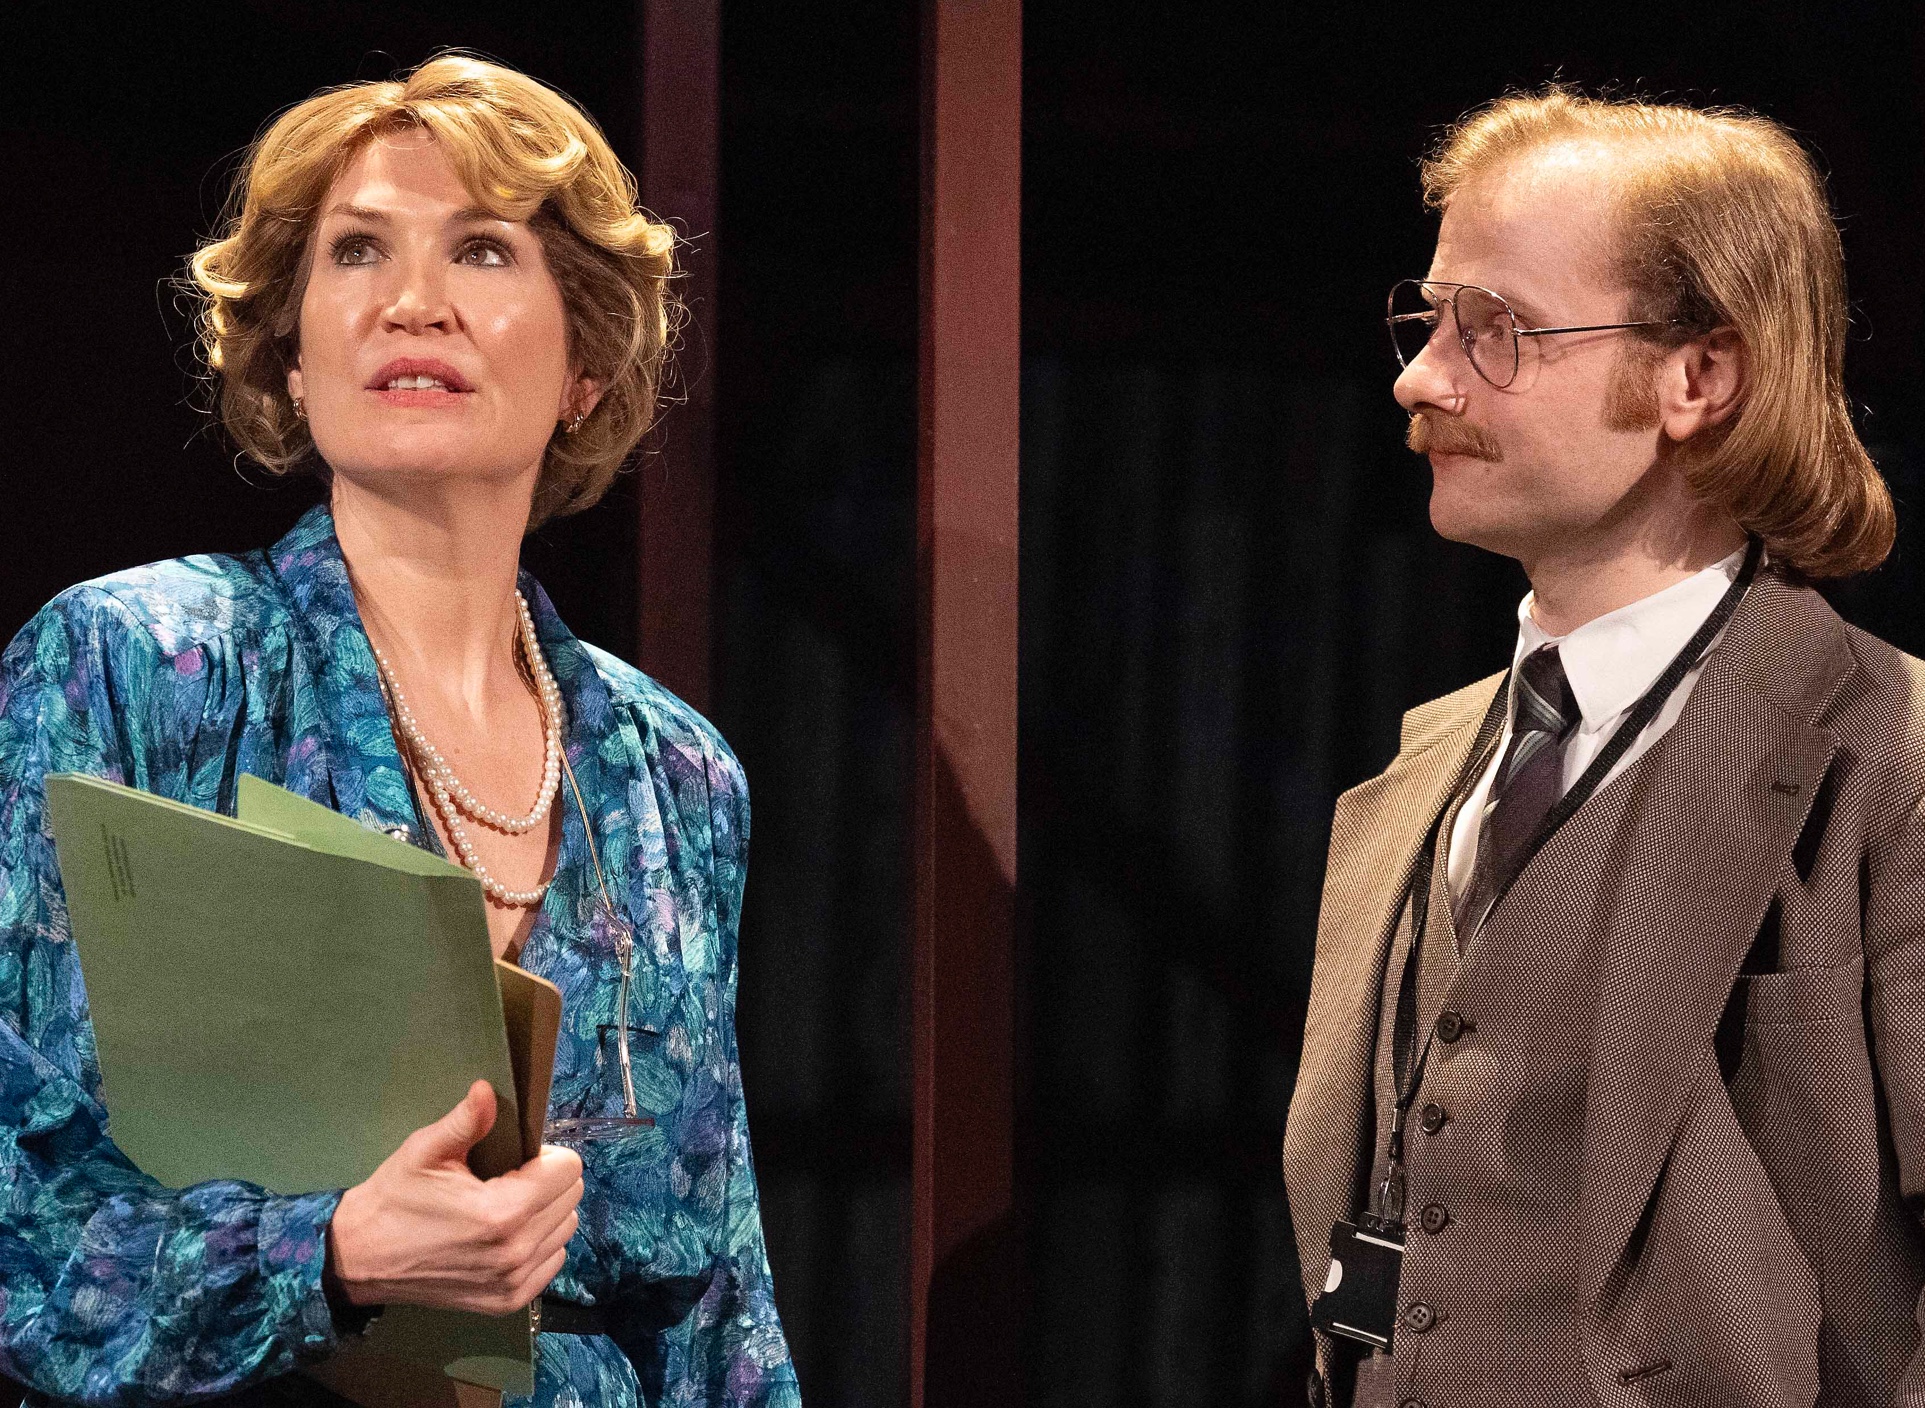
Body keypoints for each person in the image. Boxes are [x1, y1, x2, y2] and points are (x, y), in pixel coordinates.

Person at [0, 56, 797, 1408]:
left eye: (482, 251)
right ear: (292, 353)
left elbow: (717, 1296)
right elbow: (21, 1201)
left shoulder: (673, 775)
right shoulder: (134, 665)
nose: (411, 301)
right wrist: (332, 1253)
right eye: (357, 251)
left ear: (586, 364)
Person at [1283, 87, 1925, 1407]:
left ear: (1698, 377)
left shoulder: (1889, 759)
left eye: (1494, 330)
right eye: (1427, 321)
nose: (1420, 378)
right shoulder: (1430, 771)